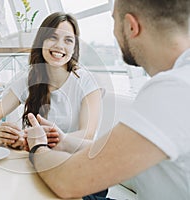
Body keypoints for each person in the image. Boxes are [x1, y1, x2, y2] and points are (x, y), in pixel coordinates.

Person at [25, 0, 190, 199]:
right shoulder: (179, 83)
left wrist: (37, 147)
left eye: (113, 21)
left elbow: (68, 181)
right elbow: (128, 155)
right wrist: (65, 141)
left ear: (131, 26)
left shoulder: (174, 90)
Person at [0, 12, 103, 150]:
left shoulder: (87, 82)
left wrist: (41, 141)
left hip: (75, 159)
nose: (59, 46)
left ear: (74, 48)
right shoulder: (27, 80)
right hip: (37, 157)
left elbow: (88, 135)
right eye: (53, 37)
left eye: (68, 40)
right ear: (41, 42)